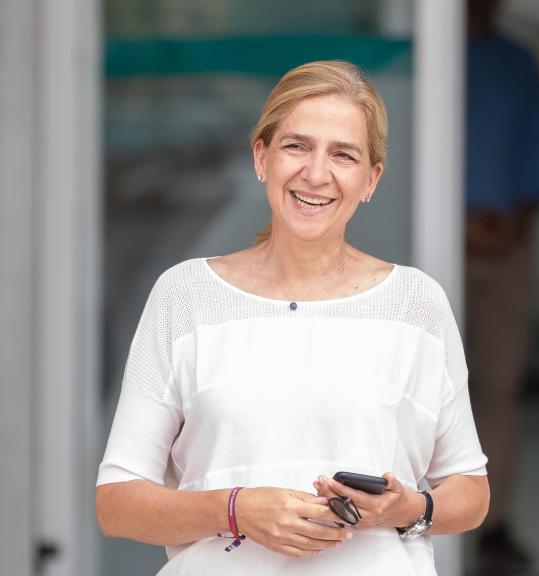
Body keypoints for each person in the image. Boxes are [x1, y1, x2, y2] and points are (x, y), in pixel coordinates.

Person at [95, 60, 490, 575]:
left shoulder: (416, 305)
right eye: (296, 146)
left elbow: (470, 490)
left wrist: (410, 508)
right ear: (261, 157)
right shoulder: (185, 296)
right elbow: (117, 503)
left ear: (371, 179)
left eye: (343, 155)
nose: (316, 173)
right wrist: (235, 510)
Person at [464, 0, 539, 571]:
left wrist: (512, 223)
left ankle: (490, 520)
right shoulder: (435, 59)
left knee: (497, 384)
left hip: (506, 243)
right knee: (431, 386)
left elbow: (538, 153)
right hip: (433, 244)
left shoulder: (520, 64)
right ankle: (424, 510)